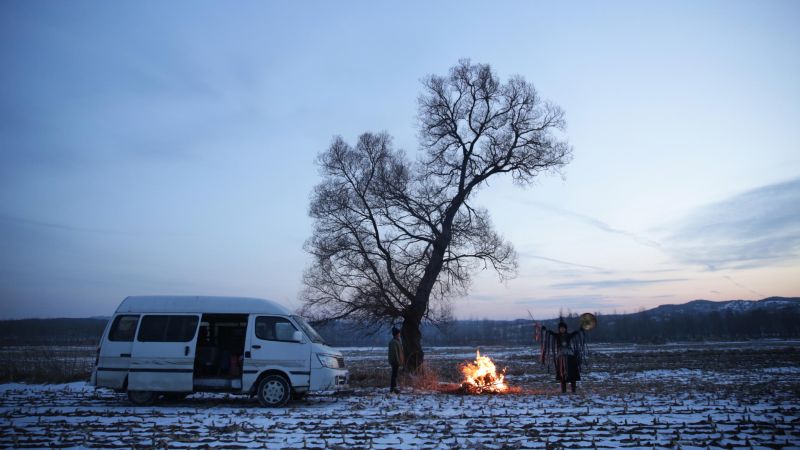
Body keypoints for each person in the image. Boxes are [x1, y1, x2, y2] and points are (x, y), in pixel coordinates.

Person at [538, 320, 587, 393]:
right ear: (559, 329)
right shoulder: (557, 335)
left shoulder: (569, 335)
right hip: (561, 357)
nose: (562, 329)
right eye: (561, 328)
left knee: (572, 373)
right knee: (562, 373)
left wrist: (580, 329)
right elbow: (550, 332)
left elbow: (575, 333)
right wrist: (544, 329)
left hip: (570, 356)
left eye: (563, 328)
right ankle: (563, 391)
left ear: (565, 329)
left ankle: (573, 390)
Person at [388, 326, 404, 394]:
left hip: (395, 361)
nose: (399, 334)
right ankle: (393, 389)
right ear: (397, 334)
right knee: (394, 375)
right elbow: (395, 353)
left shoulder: (396, 341)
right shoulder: (394, 342)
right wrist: (398, 361)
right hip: (395, 361)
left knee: (395, 375)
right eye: (399, 333)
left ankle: (393, 388)